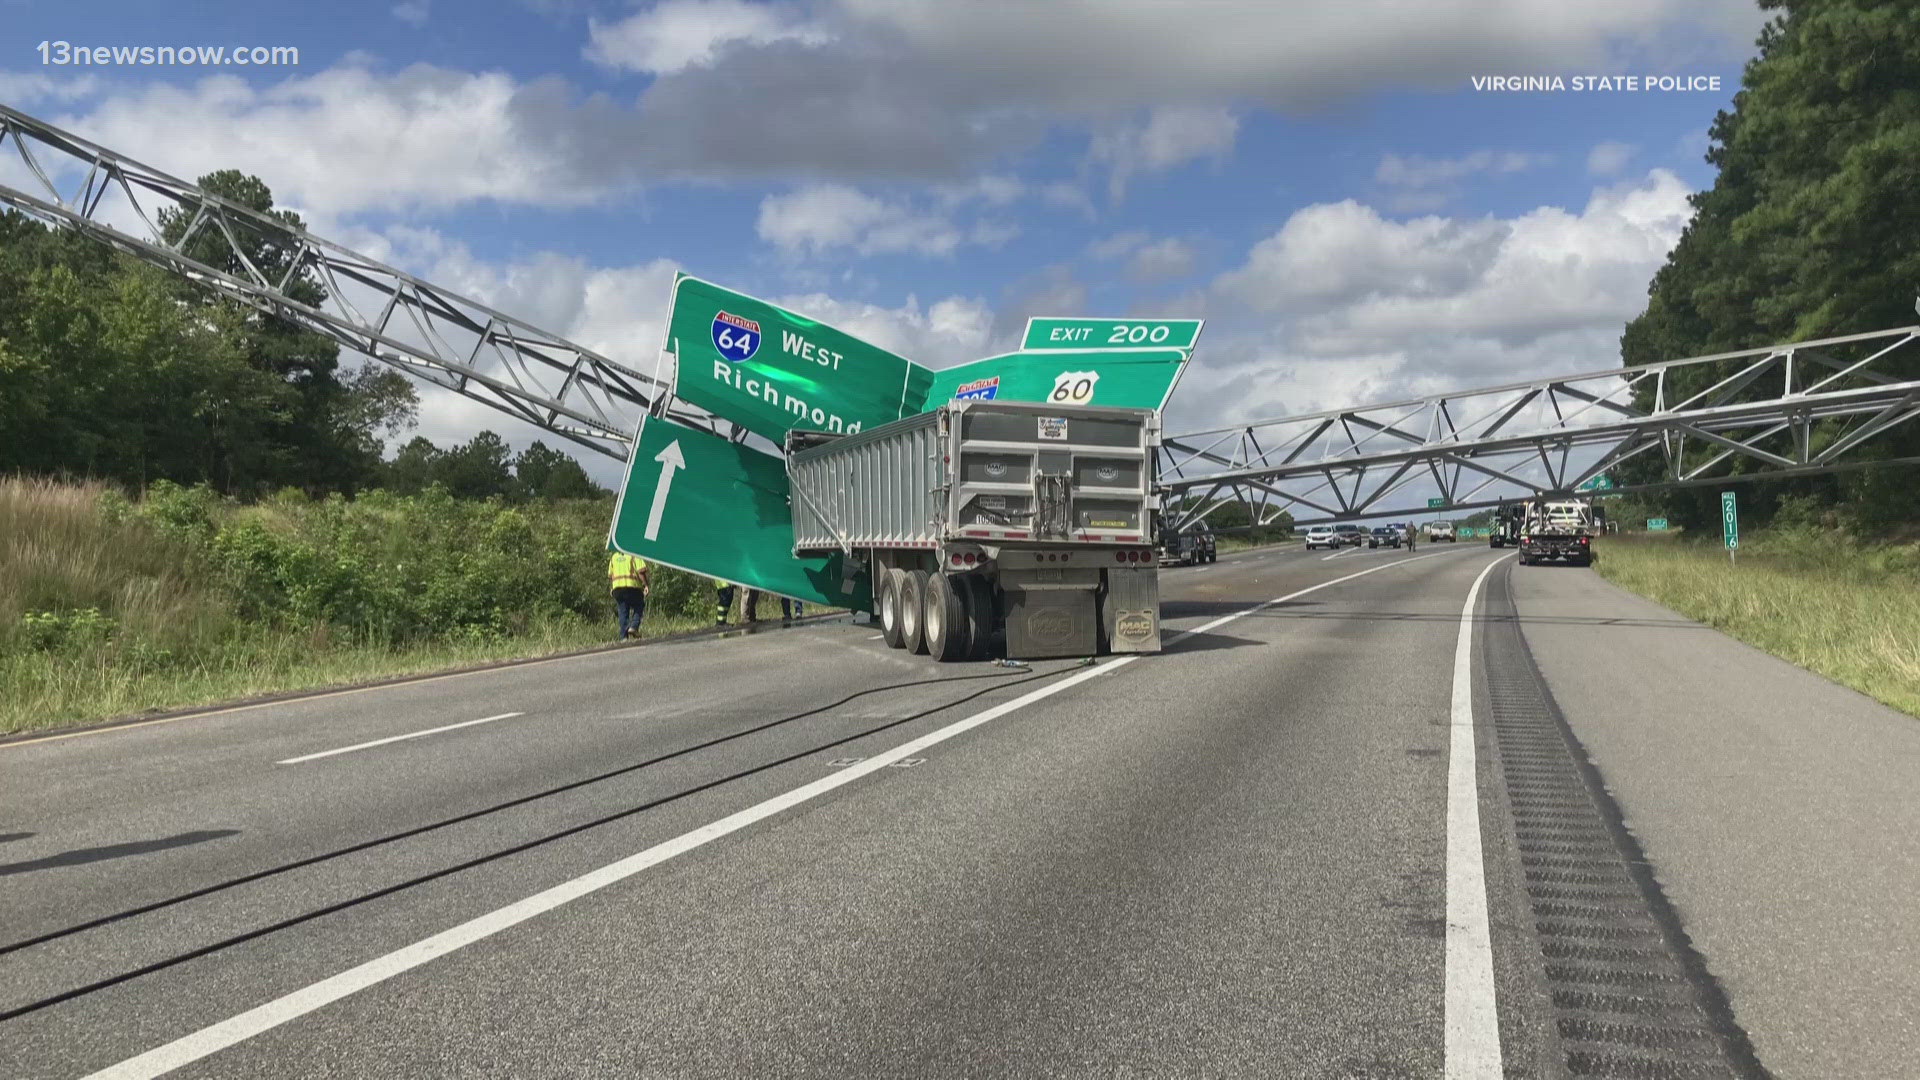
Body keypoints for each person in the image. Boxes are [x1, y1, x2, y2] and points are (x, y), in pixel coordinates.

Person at [607, 548, 649, 641]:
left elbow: (611, 575)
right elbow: (641, 571)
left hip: (617, 588)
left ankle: (623, 637)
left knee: (623, 611)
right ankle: (633, 626)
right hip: (632, 586)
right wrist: (646, 585)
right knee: (639, 605)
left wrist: (612, 588)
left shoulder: (614, 556)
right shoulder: (633, 553)